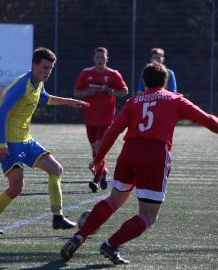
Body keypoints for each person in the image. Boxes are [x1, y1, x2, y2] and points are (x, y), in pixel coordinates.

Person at [60, 62, 218, 264]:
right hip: (154, 154)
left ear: (143, 82)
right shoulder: (175, 99)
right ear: (165, 81)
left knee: (113, 200)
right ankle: (111, 244)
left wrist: (98, 159)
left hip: (129, 152)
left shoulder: (133, 101)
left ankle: (79, 236)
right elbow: (209, 121)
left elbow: (113, 131)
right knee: (149, 215)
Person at [0, 47, 90, 234]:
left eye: (50, 69)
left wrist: (69, 100)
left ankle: (58, 217)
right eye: (45, 68)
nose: (48, 72)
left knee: (56, 169)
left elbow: (45, 98)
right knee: (16, 186)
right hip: (10, 141)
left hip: (26, 139)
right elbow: (1, 114)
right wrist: (1, 145)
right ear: (34, 66)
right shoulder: (22, 85)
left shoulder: (37, 83)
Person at [73, 47, 128, 193]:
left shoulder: (113, 74)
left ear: (107, 59)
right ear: (93, 59)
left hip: (106, 118)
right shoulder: (86, 73)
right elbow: (76, 91)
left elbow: (125, 90)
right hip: (90, 117)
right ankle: (103, 174)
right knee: (95, 149)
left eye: (102, 57)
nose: (100, 60)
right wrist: (85, 93)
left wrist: (113, 92)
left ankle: (96, 181)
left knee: (99, 147)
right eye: (97, 57)